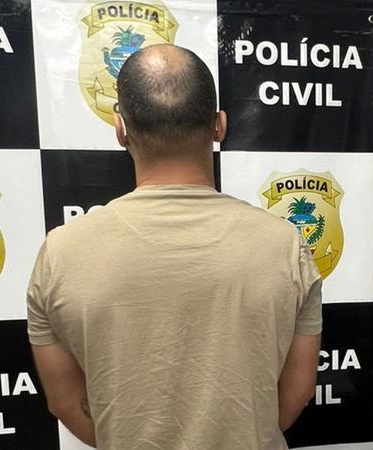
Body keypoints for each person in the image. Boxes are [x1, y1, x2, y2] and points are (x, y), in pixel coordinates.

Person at [27, 44, 322, 450]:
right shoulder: (286, 245)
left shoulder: (60, 252)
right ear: (219, 125)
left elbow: (64, 403)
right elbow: (298, 391)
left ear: (120, 129)